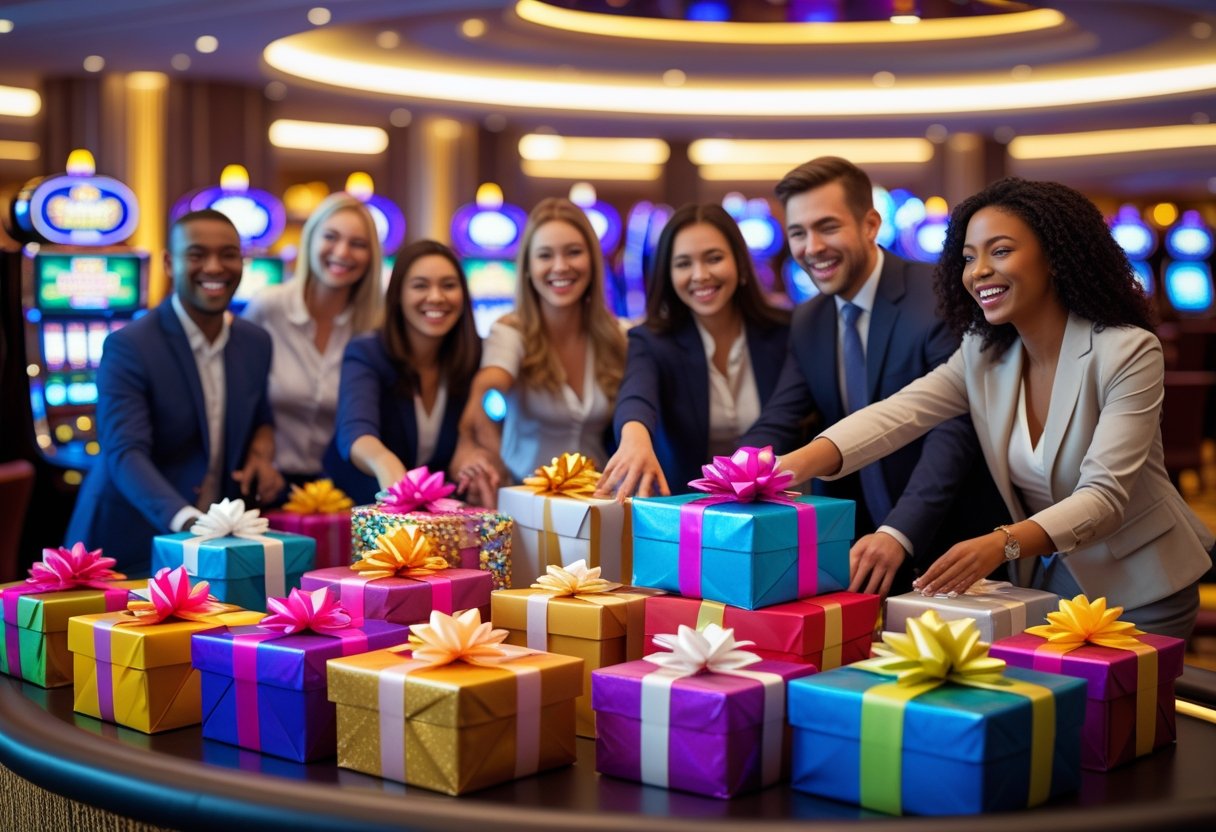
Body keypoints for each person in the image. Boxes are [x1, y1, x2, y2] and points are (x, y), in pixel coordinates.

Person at [780, 177, 1214, 639]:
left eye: (1000, 251)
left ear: (1054, 256)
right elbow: (897, 415)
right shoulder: (985, 354)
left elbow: (1103, 497)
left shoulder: (1126, 351)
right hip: (1053, 580)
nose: (978, 271)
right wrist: (786, 468)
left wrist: (1000, 544)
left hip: (1143, 582)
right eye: (969, 258)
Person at [741, 156, 1006, 597]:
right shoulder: (807, 319)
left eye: (827, 227)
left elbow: (955, 428)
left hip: (950, 547)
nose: (812, 247)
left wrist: (899, 532)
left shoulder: (940, 294)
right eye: (797, 233)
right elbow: (778, 420)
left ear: (869, 224)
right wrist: (726, 481)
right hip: (855, 552)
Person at [65, 209, 284, 573]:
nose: (214, 267)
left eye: (228, 254)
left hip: (213, 543)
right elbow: (125, 453)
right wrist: (188, 523)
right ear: (170, 263)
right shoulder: (129, 345)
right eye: (197, 255)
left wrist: (261, 454)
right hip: (127, 543)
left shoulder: (255, 342)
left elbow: (260, 415)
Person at [599, 203, 791, 498]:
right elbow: (637, 394)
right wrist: (634, 438)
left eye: (713, 258)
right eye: (683, 263)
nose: (699, 274)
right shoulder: (651, 340)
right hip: (689, 518)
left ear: (740, 265)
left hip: (778, 510)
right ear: (668, 274)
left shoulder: (784, 332)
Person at [454, 197, 626, 500]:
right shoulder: (511, 332)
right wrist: (494, 460)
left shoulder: (616, 336)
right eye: (545, 255)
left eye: (573, 252)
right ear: (528, 268)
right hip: (525, 503)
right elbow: (488, 391)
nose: (561, 266)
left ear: (593, 261)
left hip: (600, 503)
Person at [326, 240, 483, 505]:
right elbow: (355, 432)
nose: (436, 297)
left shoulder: (474, 356)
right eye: (420, 285)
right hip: (359, 510)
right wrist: (385, 463)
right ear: (397, 295)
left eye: (448, 285)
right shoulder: (367, 352)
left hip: (435, 516)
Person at [242, 193, 383, 489]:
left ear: (371, 256)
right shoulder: (268, 307)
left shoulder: (374, 326)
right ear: (310, 241)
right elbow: (238, 396)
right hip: (267, 484)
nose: (343, 252)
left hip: (342, 489)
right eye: (330, 237)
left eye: (358, 244)